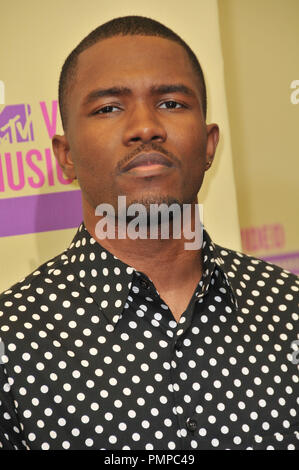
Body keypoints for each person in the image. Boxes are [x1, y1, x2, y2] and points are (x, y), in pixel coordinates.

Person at [0, 15, 298, 451]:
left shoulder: (288, 311)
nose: (145, 126)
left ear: (210, 143)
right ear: (66, 156)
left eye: (172, 103)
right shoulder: (12, 339)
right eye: (108, 108)